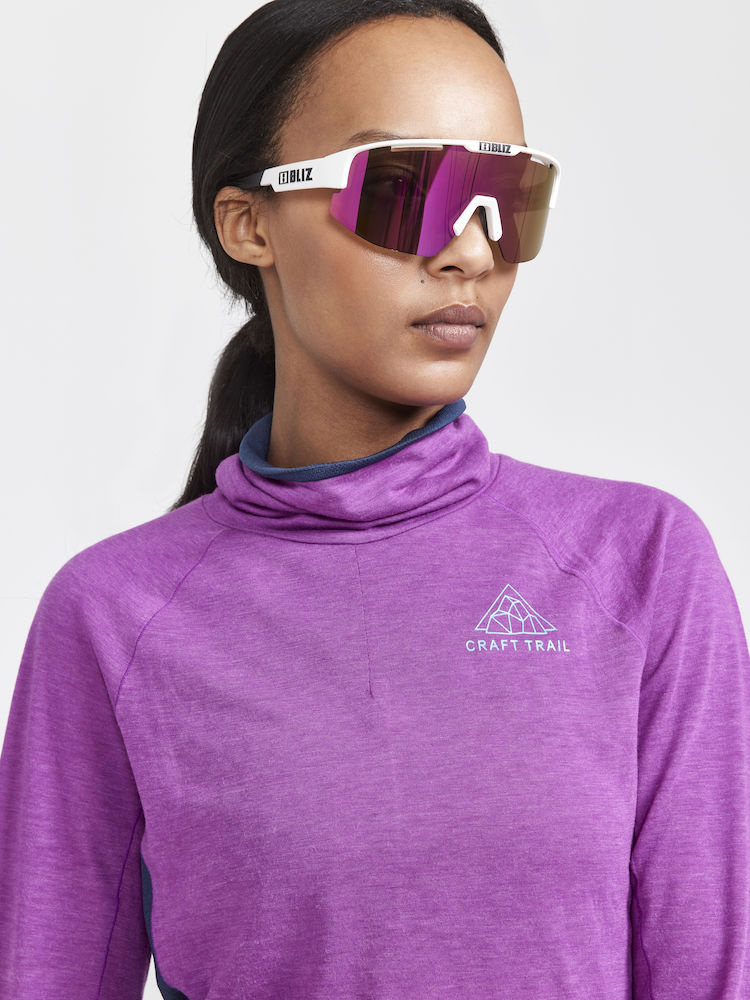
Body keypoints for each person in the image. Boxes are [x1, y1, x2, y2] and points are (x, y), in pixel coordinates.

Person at [0, 0, 748, 997]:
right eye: (407, 188)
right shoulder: (112, 618)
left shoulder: (641, 566)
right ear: (250, 223)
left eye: (507, 195)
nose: (472, 251)